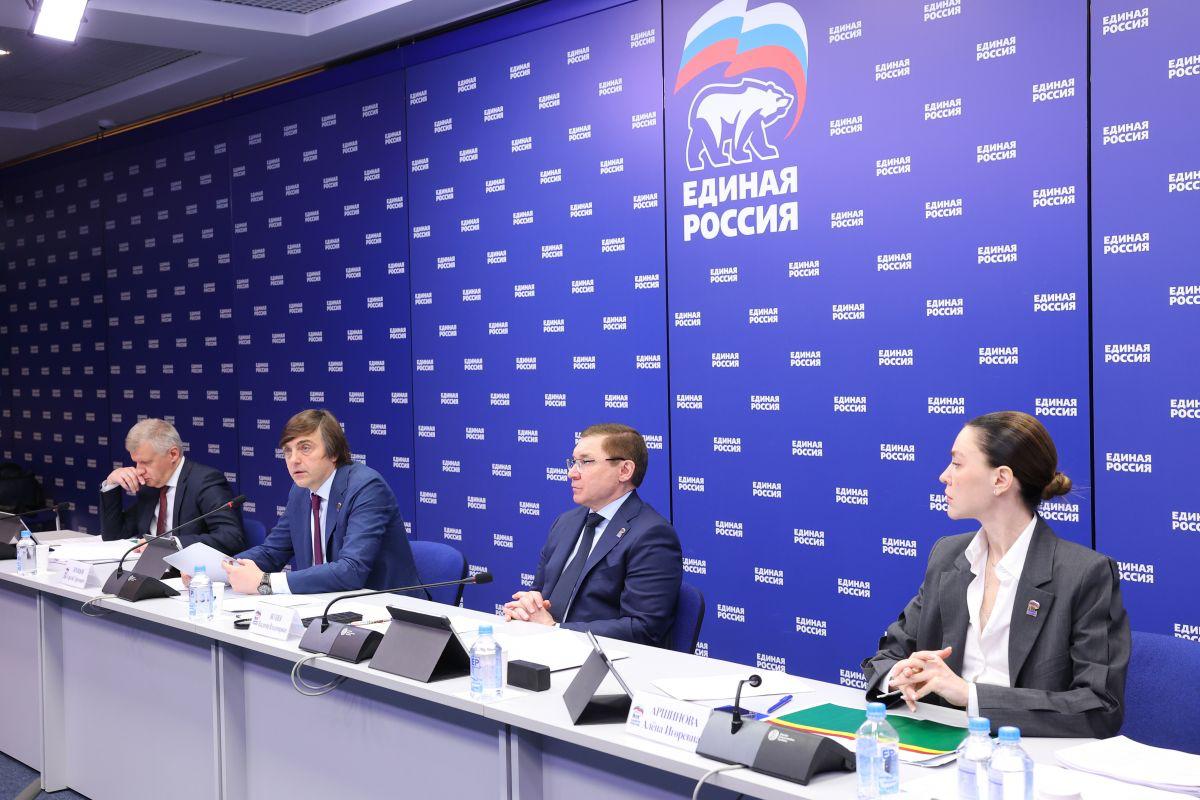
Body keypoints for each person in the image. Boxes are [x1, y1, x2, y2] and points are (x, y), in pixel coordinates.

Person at [862, 411, 1129, 738]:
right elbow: (888, 655)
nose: (944, 476)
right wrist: (898, 676)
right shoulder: (947, 556)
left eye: (957, 463)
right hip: (941, 748)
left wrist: (971, 696)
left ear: (1001, 479)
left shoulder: (1084, 574)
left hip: (1026, 755)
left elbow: (1099, 707)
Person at [504, 423, 682, 646]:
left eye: (585, 462)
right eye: (573, 462)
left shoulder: (651, 535)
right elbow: (539, 592)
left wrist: (555, 630)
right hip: (542, 647)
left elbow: (643, 628)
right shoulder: (566, 522)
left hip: (601, 660)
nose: (571, 473)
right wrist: (528, 607)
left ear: (624, 470)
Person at [222, 409, 421, 596]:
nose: (294, 459)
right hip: (325, 604)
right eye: (288, 451)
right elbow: (272, 552)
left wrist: (266, 582)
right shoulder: (300, 491)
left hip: (386, 608)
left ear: (334, 453)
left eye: (305, 448)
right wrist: (218, 570)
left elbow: (351, 570)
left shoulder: (366, 488)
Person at [100, 418, 245, 555]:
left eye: (146, 462)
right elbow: (114, 535)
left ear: (173, 454)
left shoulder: (205, 481)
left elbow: (232, 537)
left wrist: (172, 545)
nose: (139, 470)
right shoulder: (150, 484)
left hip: (188, 569)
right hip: (148, 566)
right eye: (136, 462)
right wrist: (111, 483)